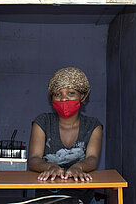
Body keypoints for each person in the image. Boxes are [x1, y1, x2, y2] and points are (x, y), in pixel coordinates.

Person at [28, 67, 103, 204]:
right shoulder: (43, 122)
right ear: (51, 98)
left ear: (83, 96)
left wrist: (78, 167)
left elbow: (92, 158)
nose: (63, 99)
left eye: (71, 93)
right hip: (46, 197)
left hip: (83, 197)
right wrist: (50, 167)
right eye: (57, 94)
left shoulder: (93, 125)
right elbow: (33, 159)